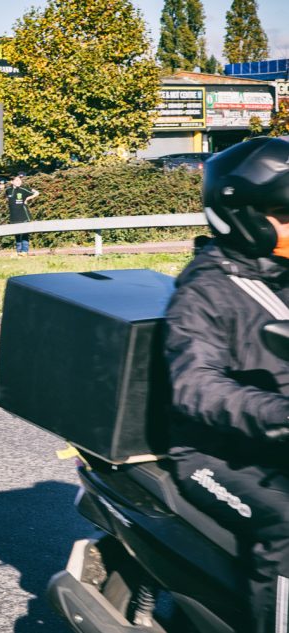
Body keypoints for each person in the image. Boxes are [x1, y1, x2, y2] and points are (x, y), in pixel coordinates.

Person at [164, 136, 289, 633]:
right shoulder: (207, 288)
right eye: (284, 212)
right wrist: (274, 413)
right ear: (243, 215)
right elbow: (193, 382)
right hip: (213, 454)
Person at [2, 173, 39, 256]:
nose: (19, 182)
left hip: (23, 214)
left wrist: (28, 198)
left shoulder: (23, 189)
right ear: (12, 182)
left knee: (24, 233)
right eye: (17, 180)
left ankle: (24, 251)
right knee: (17, 234)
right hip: (14, 216)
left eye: (20, 180)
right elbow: (8, 198)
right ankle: (19, 251)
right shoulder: (8, 190)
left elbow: (36, 192)